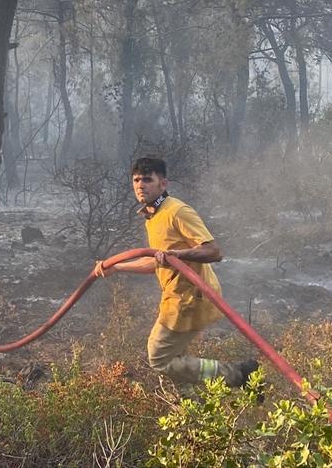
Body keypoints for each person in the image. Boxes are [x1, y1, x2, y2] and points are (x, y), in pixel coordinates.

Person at [95, 156, 258, 389]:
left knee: (159, 357)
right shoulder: (152, 216)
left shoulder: (177, 211)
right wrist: (117, 267)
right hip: (176, 296)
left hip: (190, 298)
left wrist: (179, 255)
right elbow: (158, 262)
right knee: (177, 360)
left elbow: (213, 251)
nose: (140, 185)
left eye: (148, 180)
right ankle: (194, 411)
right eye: (136, 180)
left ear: (163, 184)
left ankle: (239, 374)